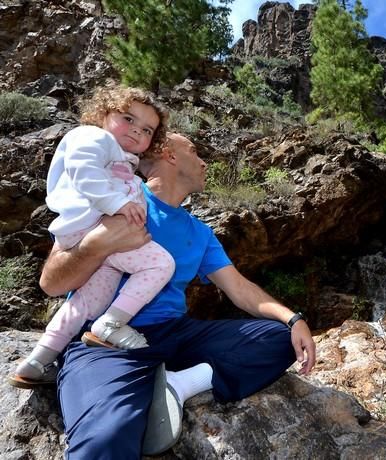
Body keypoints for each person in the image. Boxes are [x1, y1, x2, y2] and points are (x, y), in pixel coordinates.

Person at [39, 132, 316, 458]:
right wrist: (95, 244)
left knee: (279, 338)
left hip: (175, 334)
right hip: (102, 341)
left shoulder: (199, 231)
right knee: (105, 441)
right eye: (195, 151)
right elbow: (51, 282)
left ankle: (179, 384)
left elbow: (239, 288)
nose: (204, 162)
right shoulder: (114, 197)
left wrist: (292, 318)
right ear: (169, 155)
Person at [9, 86, 174, 389]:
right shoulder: (92, 137)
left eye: (147, 129)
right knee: (160, 264)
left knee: (87, 302)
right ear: (102, 114)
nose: (136, 131)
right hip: (92, 225)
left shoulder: (122, 159)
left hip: (94, 235)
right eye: (128, 118)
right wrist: (119, 205)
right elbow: (84, 172)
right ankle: (112, 325)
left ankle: (38, 359)